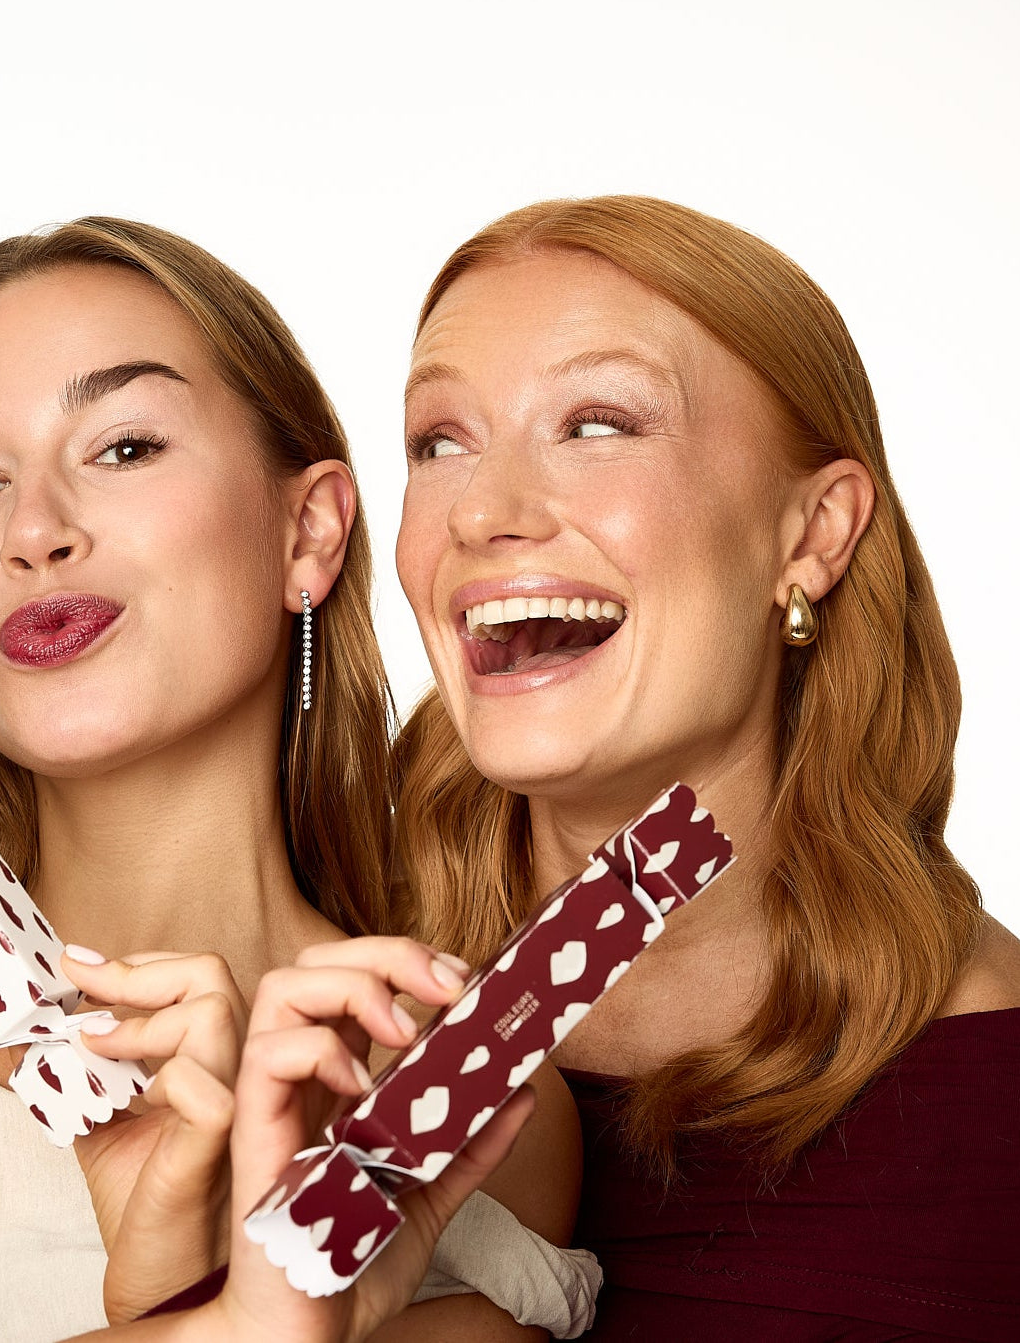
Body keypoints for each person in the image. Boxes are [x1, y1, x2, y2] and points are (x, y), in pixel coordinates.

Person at [0, 219, 586, 1340]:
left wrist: (186, 1299)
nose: (33, 531)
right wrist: (232, 1324)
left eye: (124, 448)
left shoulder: (456, 1099)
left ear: (308, 531)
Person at [392, 195, 1020, 1340]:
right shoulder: (309, 990)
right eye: (439, 441)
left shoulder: (996, 1104)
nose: (481, 512)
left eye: (598, 424)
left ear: (814, 534)